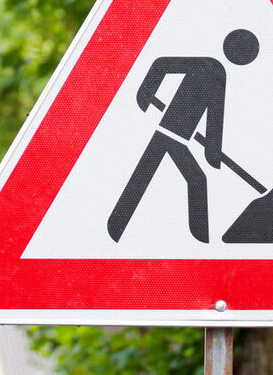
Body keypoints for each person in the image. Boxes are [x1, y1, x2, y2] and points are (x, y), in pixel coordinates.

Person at [107, 29, 259, 243]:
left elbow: (214, 119)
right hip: (168, 134)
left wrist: (212, 154)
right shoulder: (211, 67)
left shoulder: (215, 71)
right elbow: (161, 65)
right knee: (185, 178)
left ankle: (117, 225)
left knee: (156, 175)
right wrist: (145, 94)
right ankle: (116, 226)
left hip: (176, 138)